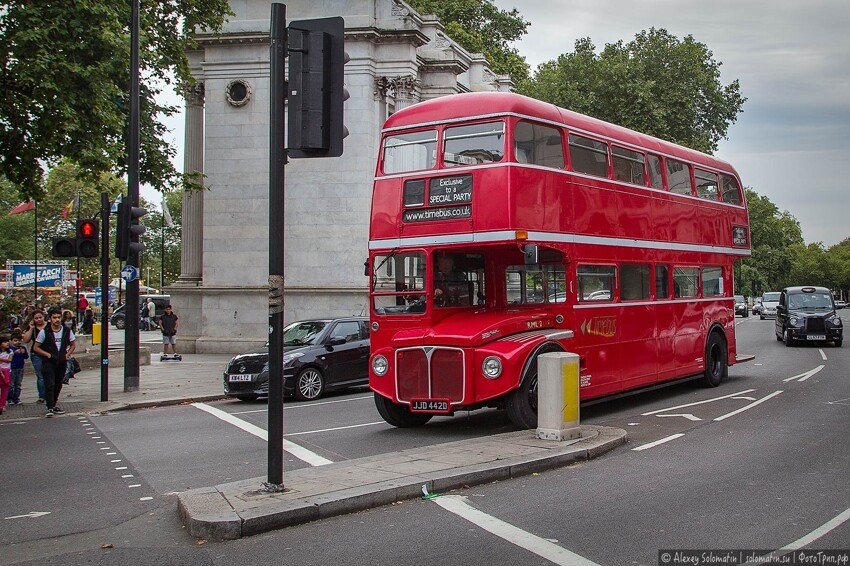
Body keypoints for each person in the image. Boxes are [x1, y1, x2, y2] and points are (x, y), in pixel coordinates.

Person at [32, 307, 75, 417]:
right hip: (48, 361)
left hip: (61, 361)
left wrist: (67, 354)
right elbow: (36, 347)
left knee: (58, 384)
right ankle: (49, 407)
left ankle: (54, 404)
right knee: (49, 384)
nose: (57, 320)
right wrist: (47, 354)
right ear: (50, 319)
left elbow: (73, 344)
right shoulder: (44, 332)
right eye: (54, 317)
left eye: (58, 317)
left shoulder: (66, 331)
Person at [22, 310, 48, 403]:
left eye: (40, 317)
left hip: (48, 353)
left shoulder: (48, 326)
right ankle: (42, 396)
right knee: (40, 376)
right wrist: (31, 328)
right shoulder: (33, 328)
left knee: (49, 375)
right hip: (36, 354)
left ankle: (50, 394)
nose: (39, 320)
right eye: (36, 318)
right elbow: (26, 340)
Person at [8, 331, 28, 406]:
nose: (17, 342)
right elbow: (8, 358)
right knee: (11, 385)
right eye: (15, 341)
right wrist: (14, 353)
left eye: (19, 340)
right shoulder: (10, 349)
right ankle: (10, 398)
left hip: (20, 368)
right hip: (12, 368)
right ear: (11, 341)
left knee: (18, 384)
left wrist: (24, 353)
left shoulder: (22, 348)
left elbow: (26, 357)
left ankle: (16, 398)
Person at [0, 335, 11, 415]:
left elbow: (9, 360)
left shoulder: (10, 352)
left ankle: (2, 405)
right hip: (0, 371)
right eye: (4, 342)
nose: (7, 343)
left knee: (5, 389)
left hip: (7, 371)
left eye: (7, 341)